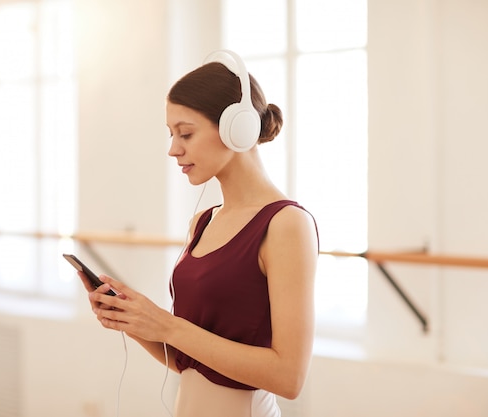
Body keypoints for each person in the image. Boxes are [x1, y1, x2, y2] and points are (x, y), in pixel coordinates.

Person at [79, 50, 319, 417]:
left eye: (186, 133)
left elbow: (289, 377)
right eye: (171, 134)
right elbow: (188, 360)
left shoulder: (286, 224)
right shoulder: (203, 222)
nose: (174, 149)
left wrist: (169, 326)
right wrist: (137, 321)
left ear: (235, 130)